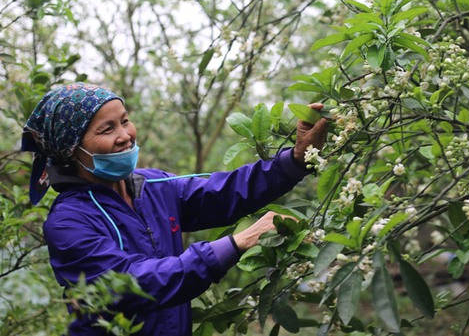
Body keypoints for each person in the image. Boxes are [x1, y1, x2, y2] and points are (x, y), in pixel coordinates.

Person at [21, 82, 328, 336]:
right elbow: (135, 283)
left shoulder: (151, 184)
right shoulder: (68, 223)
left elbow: (224, 193)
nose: (125, 136)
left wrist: (297, 159)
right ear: (72, 149)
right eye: (106, 129)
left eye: (125, 120)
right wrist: (237, 242)